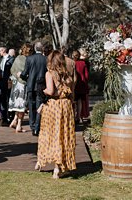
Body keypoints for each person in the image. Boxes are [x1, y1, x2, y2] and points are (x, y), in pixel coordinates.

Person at [36, 50, 76, 178]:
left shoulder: (50, 74)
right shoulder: (67, 74)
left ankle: (49, 164)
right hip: (66, 106)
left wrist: (42, 90)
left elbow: (51, 90)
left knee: (51, 134)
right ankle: (59, 167)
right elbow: (72, 89)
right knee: (64, 135)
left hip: (54, 106)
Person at [21, 41, 48, 136]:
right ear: (42, 49)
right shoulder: (46, 59)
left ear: (35, 48)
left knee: (31, 107)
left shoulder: (29, 59)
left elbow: (24, 74)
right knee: (39, 107)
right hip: (41, 86)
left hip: (31, 85)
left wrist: (21, 75)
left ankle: (32, 127)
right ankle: (37, 127)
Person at [8, 44, 30, 133]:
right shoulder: (28, 60)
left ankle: (15, 120)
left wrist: (17, 77)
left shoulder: (17, 58)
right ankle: (19, 124)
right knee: (21, 105)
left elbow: (12, 70)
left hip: (16, 85)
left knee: (18, 104)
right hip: (23, 84)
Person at [0, 46, 14, 125]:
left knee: (8, 99)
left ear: (3, 50)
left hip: (8, 81)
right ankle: (3, 117)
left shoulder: (11, 59)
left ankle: (10, 117)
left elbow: (12, 70)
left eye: (0, 51)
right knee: (2, 99)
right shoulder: (0, 59)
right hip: (1, 81)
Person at [73, 49, 90, 123]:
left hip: (74, 85)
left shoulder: (73, 63)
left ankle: (73, 116)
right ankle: (78, 117)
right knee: (80, 101)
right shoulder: (83, 64)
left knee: (74, 101)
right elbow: (86, 76)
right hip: (82, 84)